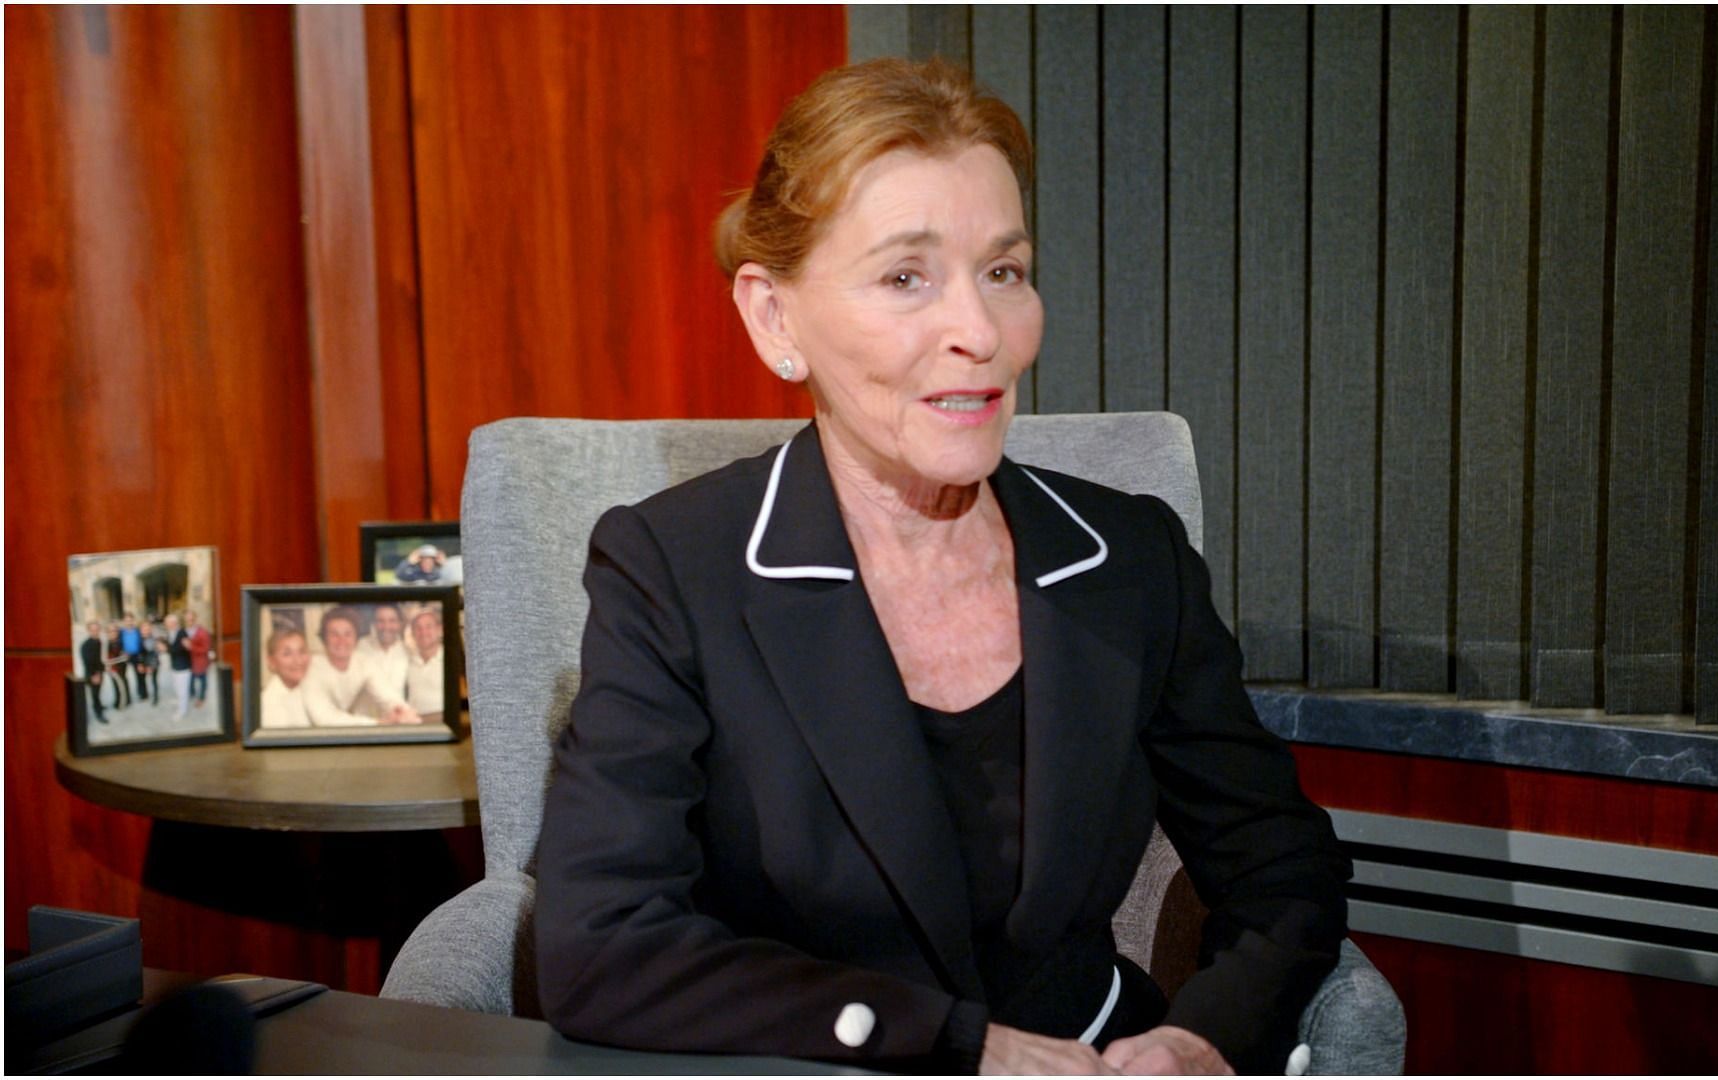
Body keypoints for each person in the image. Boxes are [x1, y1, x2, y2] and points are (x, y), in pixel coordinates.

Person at [534, 59, 1349, 1076]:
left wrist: (1201, 1038)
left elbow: (1281, 868)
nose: (981, 333)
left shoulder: (1131, 558)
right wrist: (957, 1045)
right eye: (905, 276)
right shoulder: (673, 568)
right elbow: (601, 946)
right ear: (774, 317)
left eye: (1004, 271)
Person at [301, 606, 421, 728]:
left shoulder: (363, 662)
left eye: (348, 634)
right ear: (324, 638)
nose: (341, 640)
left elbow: (388, 695)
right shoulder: (309, 667)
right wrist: (378, 723)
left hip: (343, 729)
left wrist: (404, 713)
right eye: (334, 634)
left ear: (356, 638)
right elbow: (324, 718)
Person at [258, 627, 315, 730]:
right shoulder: (268, 704)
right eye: (287, 654)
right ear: (272, 662)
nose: (298, 661)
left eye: (302, 651)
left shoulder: (310, 687)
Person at [356, 604, 411, 699]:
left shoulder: (408, 650)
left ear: (400, 624)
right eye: (380, 621)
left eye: (392, 621)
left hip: (397, 711)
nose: (386, 626)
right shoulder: (359, 647)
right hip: (364, 713)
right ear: (373, 623)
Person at [404, 608, 445, 717]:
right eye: (418, 628)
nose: (423, 632)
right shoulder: (407, 661)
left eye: (428, 626)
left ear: (439, 629)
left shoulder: (450, 660)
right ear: (412, 633)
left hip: (444, 725)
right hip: (415, 727)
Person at [78, 621, 110, 723]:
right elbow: (87, 662)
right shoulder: (85, 645)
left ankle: (99, 705)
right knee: (95, 694)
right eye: (93, 630)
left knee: (98, 691)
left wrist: (103, 668)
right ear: (88, 631)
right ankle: (98, 713)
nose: (95, 632)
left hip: (98, 672)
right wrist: (94, 675)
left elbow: (98, 658)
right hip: (92, 674)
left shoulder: (98, 641)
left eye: (97, 630)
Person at [164, 613, 193, 719]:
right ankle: (179, 701)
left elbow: (187, 647)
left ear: (174, 623)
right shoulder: (169, 633)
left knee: (182, 690)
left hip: (183, 667)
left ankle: (182, 711)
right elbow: (171, 647)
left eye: (167, 623)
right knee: (176, 687)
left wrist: (188, 646)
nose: (165, 625)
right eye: (166, 623)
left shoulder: (182, 633)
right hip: (174, 666)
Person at [183, 609, 213, 707]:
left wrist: (191, 647)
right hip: (189, 661)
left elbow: (206, 648)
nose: (189, 621)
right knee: (190, 679)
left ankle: (201, 698)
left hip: (200, 661)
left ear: (195, 619)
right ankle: (191, 694)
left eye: (191, 619)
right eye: (187, 619)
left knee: (202, 680)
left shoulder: (202, 632)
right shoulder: (185, 631)